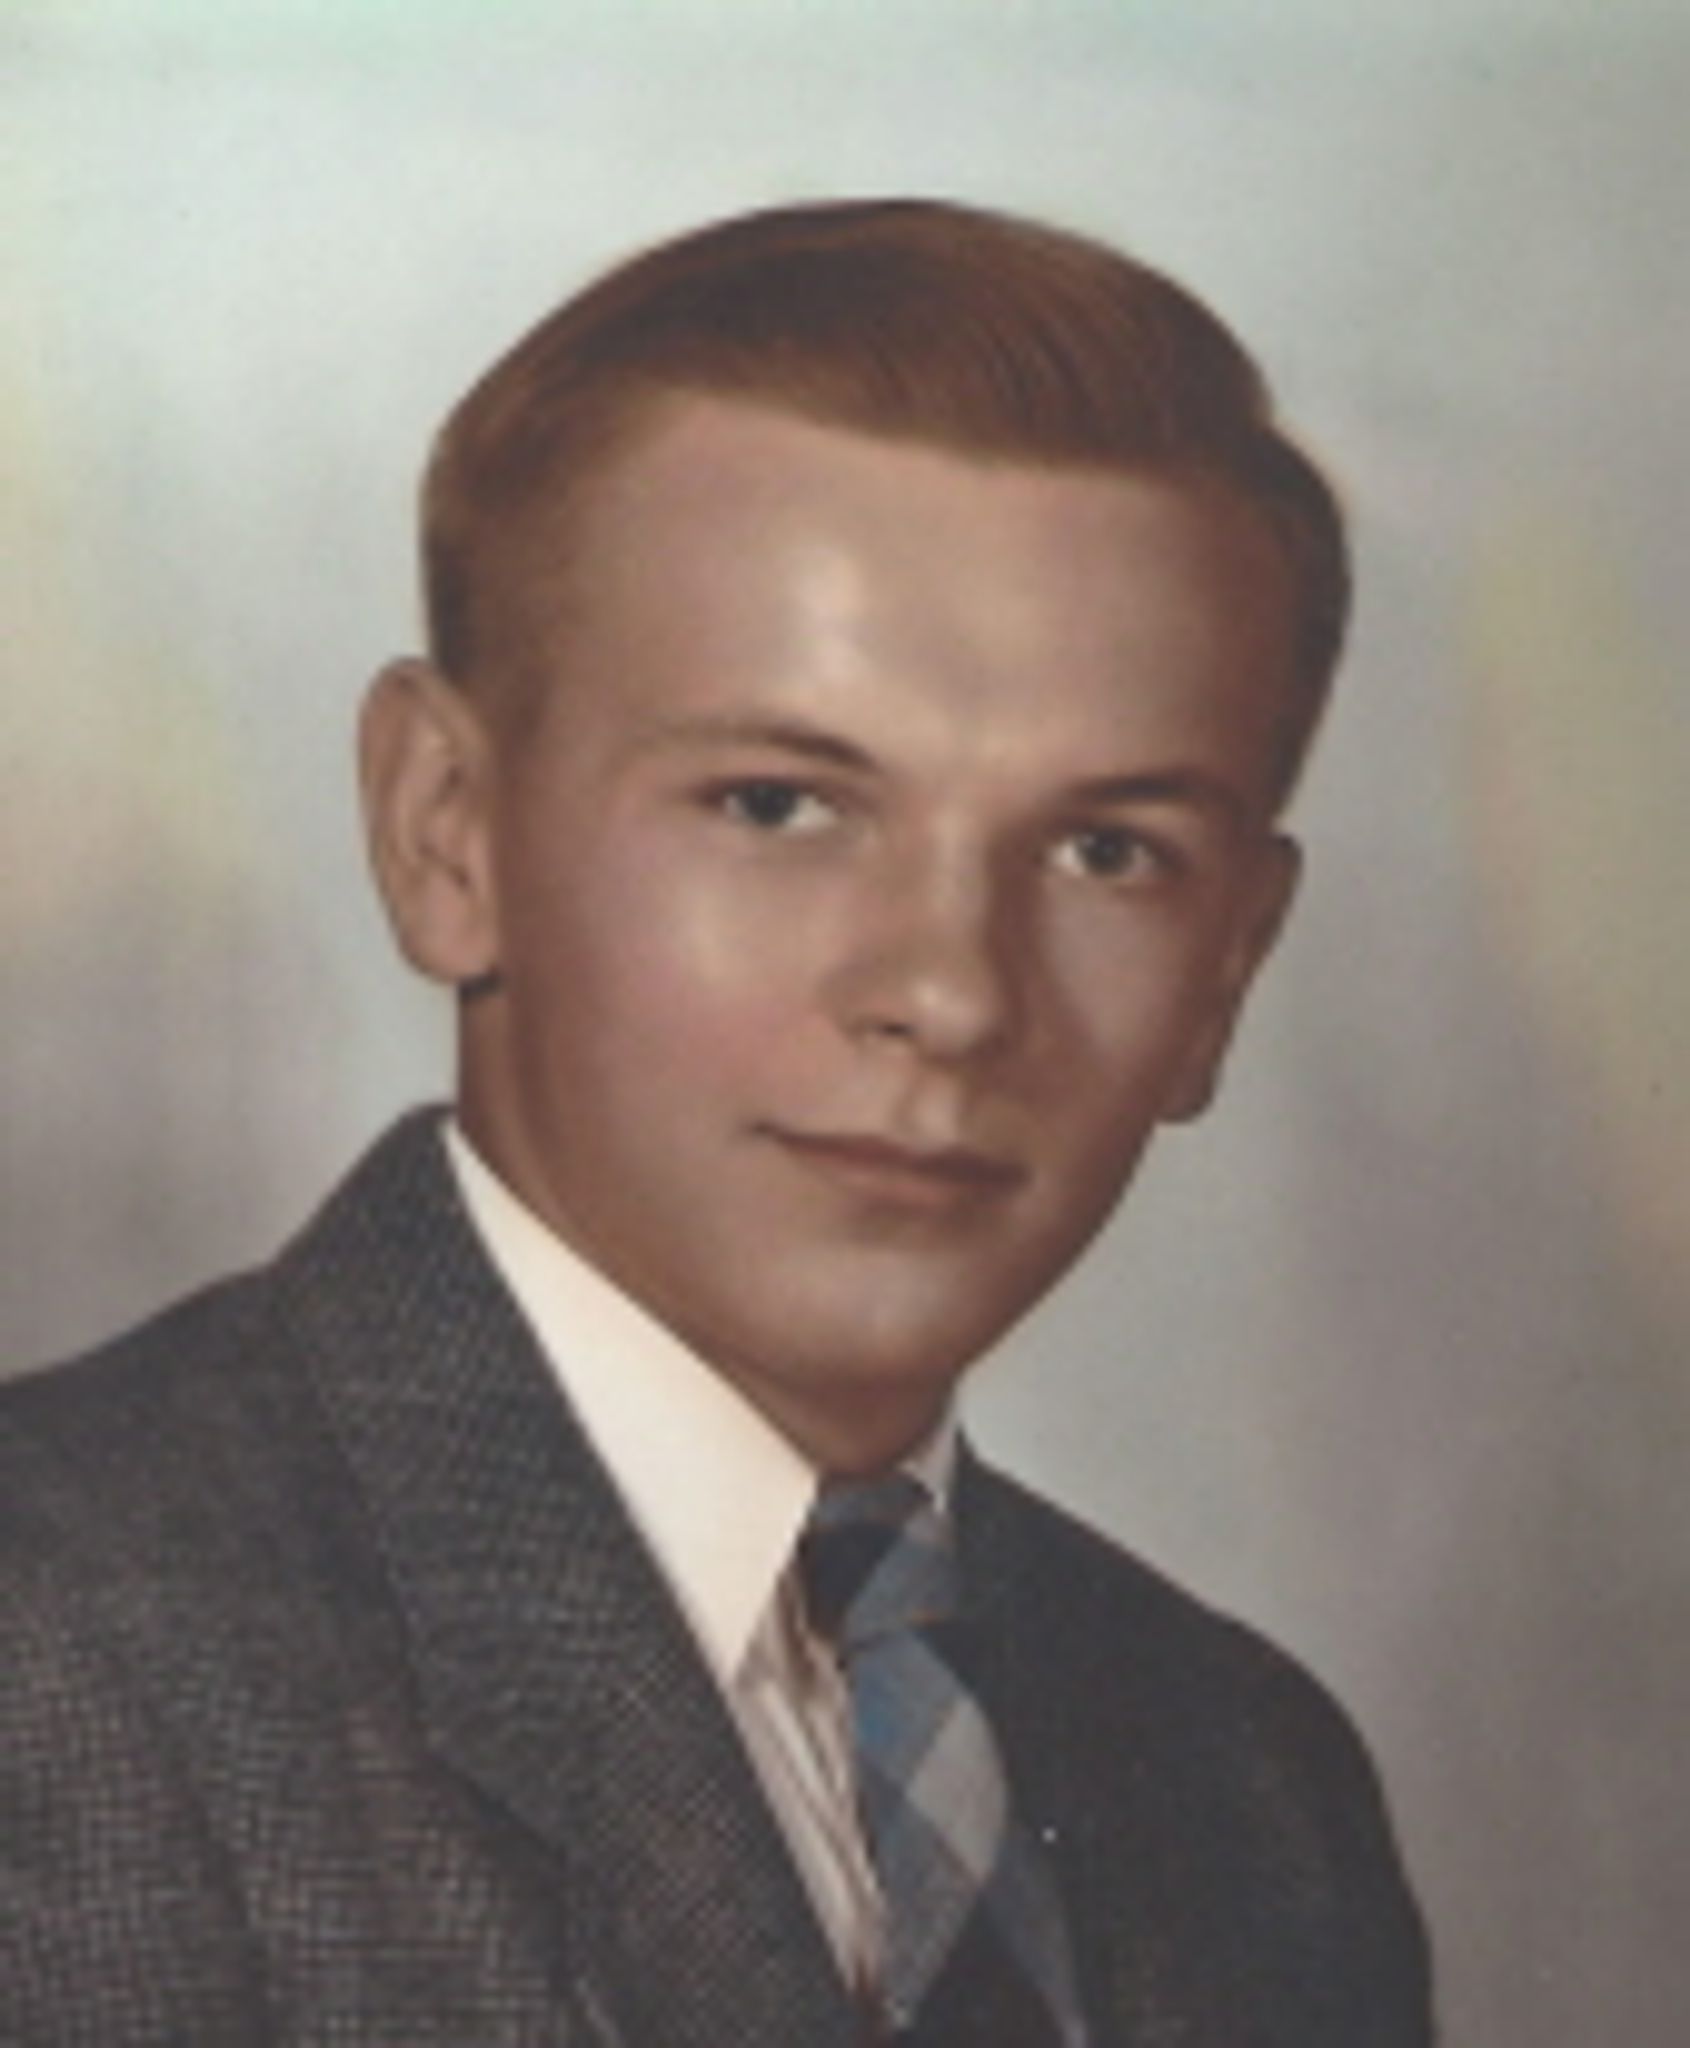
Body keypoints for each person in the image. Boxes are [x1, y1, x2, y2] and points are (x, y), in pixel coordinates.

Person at [1, 199, 1432, 2045]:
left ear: (1228, 966)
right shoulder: (57, 1654)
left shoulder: (1249, 1781)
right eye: (777, 806)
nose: (952, 992)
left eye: (1104, 851)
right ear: (447, 833)